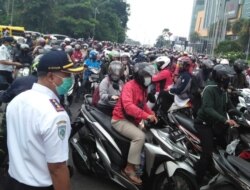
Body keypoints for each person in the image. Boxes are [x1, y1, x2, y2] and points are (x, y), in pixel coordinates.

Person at [5, 50, 83, 190]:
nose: (71, 78)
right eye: (67, 74)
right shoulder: (56, 114)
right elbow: (57, 168)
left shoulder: (18, 100)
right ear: (51, 77)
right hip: (38, 185)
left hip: (12, 180)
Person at [111, 62, 157, 185]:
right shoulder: (129, 86)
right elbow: (128, 107)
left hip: (132, 120)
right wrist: (146, 116)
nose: (149, 78)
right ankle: (129, 168)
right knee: (139, 136)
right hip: (120, 120)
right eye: (147, 75)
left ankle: (135, 162)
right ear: (140, 75)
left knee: (148, 137)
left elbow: (143, 105)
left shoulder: (143, 89)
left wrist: (152, 113)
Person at [194, 64, 238, 185]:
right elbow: (208, 108)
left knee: (224, 147)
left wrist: (240, 115)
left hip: (216, 123)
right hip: (204, 124)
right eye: (226, 77)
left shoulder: (222, 90)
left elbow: (229, 106)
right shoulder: (210, 88)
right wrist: (225, 120)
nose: (228, 79)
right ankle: (198, 181)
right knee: (207, 152)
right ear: (220, 77)